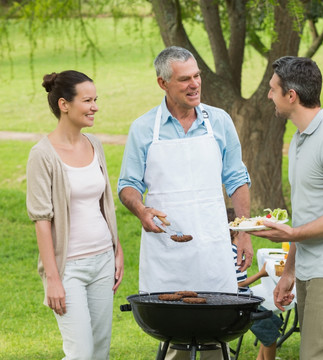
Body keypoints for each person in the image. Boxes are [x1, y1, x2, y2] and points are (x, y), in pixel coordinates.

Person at [117, 46, 251, 360]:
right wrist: (141, 210)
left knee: (215, 332)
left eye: (197, 76)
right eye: (184, 80)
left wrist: (244, 232)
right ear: (163, 83)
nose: (194, 85)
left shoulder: (219, 122)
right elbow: (127, 186)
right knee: (173, 330)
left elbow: (237, 179)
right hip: (167, 252)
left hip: (213, 249)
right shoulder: (143, 129)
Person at [252, 56, 323, 360]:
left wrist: (294, 232)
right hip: (310, 267)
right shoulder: (300, 138)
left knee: (319, 355)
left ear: (292, 96)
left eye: (273, 89)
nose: (268, 95)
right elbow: (309, 211)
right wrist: (290, 270)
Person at [26, 70, 124, 360]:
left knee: (99, 351)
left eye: (96, 99)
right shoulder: (42, 155)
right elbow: (42, 221)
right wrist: (53, 279)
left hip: (103, 261)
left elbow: (104, 203)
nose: (95, 106)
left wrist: (116, 249)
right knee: (80, 353)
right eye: (87, 100)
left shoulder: (95, 145)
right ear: (64, 105)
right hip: (69, 268)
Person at [227, 209, 283, 360]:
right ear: (235, 231)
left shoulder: (233, 250)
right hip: (242, 305)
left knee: (275, 323)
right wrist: (261, 273)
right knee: (270, 337)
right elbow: (239, 284)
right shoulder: (233, 253)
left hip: (246, 300)